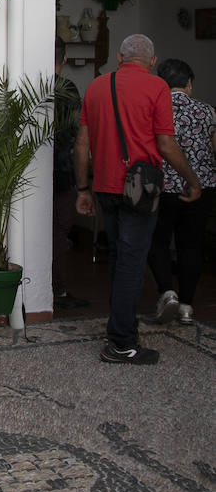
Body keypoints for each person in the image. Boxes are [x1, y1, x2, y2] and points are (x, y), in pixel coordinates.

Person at [74, 34, 201, 365]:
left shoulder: (97, 86)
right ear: (153, 61)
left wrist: (83, 189)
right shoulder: (158, 88)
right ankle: (121, 343)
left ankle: (120, 327)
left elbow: (82, 144)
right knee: (131, 263)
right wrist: (191, 179)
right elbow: (166, 144)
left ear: (119, 57)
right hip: (140, 189)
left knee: (119, 258)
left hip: (104, 187)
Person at [147, 58, 216, 325]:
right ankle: (187, 306)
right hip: (202, 186)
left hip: (164, 186)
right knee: (191, 245)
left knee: (157, 240)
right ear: (189, 83)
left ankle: (168, 292)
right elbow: (212, 148)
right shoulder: (208, 111)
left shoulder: (156, 109)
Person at [52, 37, 89, 310]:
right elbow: (75, 133)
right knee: (59, 231)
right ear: (65, 59)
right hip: (63, 169)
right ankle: (57, 289)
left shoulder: (30, 83)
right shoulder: (67, 89)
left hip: (34, 168)